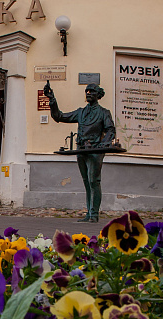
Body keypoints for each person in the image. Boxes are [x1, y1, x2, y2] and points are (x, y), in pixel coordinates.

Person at [44, 81, 117, 223]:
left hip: (96, 151)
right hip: (81, 150)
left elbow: (110, 130)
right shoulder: (80, 112)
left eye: (92, 91)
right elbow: (59, 116)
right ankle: (89, 214)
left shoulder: (104, 113)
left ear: (98, 95)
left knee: (93, 181)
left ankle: (94, 214)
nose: (88, 94)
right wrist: (52, 100)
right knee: (86, 182)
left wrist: (103, 144)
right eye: (87, 91)